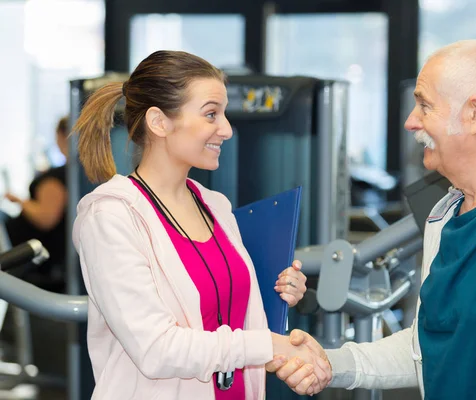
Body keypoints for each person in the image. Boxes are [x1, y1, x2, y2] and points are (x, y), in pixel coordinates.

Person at [269, 39, 476, 399]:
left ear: (474, 114)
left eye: (425, 106)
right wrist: (332, 364)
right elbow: (428, 347)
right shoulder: (444, 216)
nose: (411, 122)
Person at [70, 50, 328, 399]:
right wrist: (269, 346)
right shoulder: (111, 216)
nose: (227, 129)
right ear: (159, 122)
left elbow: (229, 324)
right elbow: (157, 349)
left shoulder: (215, 205)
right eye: (211, 114)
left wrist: (277, 295)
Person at [1, 116, 69, 284]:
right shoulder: (69, 173)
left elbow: (46, 219)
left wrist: (19, 201)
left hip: (35, 258)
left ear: (61, 136)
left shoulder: (59, 176)